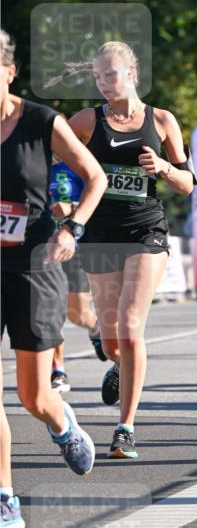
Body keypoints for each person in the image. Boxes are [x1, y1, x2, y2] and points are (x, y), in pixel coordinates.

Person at [64, 41, 195, 459]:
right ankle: (119, 365)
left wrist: (165, 168)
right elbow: (53, 158)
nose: (103, 83)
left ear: (132, 73)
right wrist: (64, 198)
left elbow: (188, 183)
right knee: (110, 336)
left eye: (111, 74)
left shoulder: (161, 120)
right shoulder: (86, 121)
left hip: (146, 231)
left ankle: (125, 428)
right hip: (101, 234)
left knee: (130, 321)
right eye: (97, 76)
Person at [1, 29, 107, 528]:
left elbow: (95, 178)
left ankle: (61, 423)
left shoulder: (41, 121)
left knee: (32, 396)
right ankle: (6, 498)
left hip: (33, 263)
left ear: (9, 72)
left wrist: (73, 227)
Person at [49, 158, 106, 393]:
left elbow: (96, 199)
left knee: (77, 314)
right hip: (38, 247)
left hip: (72, 247)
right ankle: (58, 371)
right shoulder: (27, 162)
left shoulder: (75, 167)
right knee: (49, 313)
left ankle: (96, 328)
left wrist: (71, 207)